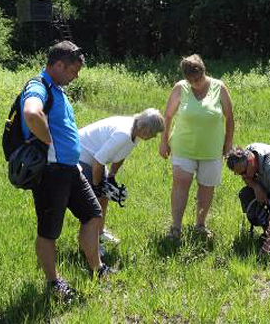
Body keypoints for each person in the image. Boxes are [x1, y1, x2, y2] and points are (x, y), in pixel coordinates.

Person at [22, 41, 113, 300]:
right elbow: (31, 113)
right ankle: (53, 283)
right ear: (59, 65)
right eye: (73, 71)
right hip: (51, 172)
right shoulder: (38, 86)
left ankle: (97, 268)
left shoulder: (57, 89)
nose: (76, 77)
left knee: (94, 215)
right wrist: (49, 141)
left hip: (70, 169)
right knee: (49, 230)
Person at [159, 54, 234, 239]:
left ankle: (200, 225)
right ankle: (176, 227)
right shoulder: (180, 88)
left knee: (207, 187)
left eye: (198, 78)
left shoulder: (219, 87)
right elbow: (167, 116)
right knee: (180, 185)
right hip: (183, 147)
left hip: (212, 149)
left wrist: (228, 143)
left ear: (204, 71)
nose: (195, 83)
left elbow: (229, 117)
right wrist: (163, 141)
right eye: (190, 80)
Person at [78, 108, 165, 252]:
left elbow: (122, 154)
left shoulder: (135, 131)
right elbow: (97, 161)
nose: (154, 136)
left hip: (95, 158)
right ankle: (89, 245)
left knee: (103, 197)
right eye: (153, 133)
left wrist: (111, 176)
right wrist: (96, 186)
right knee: (92, 204)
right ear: (143, 128)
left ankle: (100, 232)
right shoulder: (123, 134)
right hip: (82, 156)